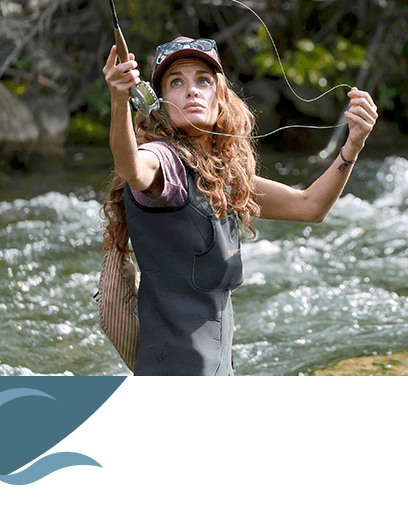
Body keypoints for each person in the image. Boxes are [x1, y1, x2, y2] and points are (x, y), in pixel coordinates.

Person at [101, 36, 378, 376]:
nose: (192, 91)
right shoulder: (164, 163)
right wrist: (118, 101)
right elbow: (133, 168)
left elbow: (310, 207)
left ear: (220, 97)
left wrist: (353, 145)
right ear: (157, 104)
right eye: (176, 82)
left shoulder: (222, 178)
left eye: (203, 80)